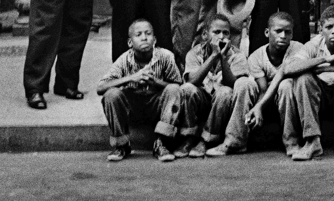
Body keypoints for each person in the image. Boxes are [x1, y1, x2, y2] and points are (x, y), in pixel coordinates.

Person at [276, 4, 334, 161]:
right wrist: (324, 59)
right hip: (319, 98)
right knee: (303, 78)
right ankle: (312, 140)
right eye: (329, 27)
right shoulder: (313, 44)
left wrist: (327, 68)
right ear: (321, 29)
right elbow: (289, 68)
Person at [206, 11, 307, 157]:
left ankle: (291, 142)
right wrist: (257, 108)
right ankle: (235, 141)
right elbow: (263, 89)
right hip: (264, 99)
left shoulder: (298, 49)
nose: (283, 36)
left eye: (287, 32)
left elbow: (285, 76)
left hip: (288, 99)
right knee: (243, 82)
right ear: (267, 32)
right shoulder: (256, 57)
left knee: (286, 84)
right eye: (278, 31)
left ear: (292, 35)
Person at [97, 18, 186, 163]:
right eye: (138, 35)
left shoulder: (165, 56)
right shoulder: (124, 59)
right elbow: (100, 88)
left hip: (157, 108)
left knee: (174, 89)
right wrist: (131, 78)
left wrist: (155, 82)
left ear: (154, 40)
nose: (144, 38)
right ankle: (122, 145)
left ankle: (162, 142)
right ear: (130, 43)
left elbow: (178, 86)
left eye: (148, 34)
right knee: (111, 94)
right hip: (132, 108)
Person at [179, 14, 247, 158]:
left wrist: (222, 57)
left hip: (223, 107)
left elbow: (232, 85)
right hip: (202, 101)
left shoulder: (237, 55)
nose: (221, 37)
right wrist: (213, 56)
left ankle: (206, 140)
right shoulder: (194, 53)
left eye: (225, 33)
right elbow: (192, 81)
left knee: (225, 92)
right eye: (216, 32)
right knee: (186, 89)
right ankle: (188, 138)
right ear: (205, 35)